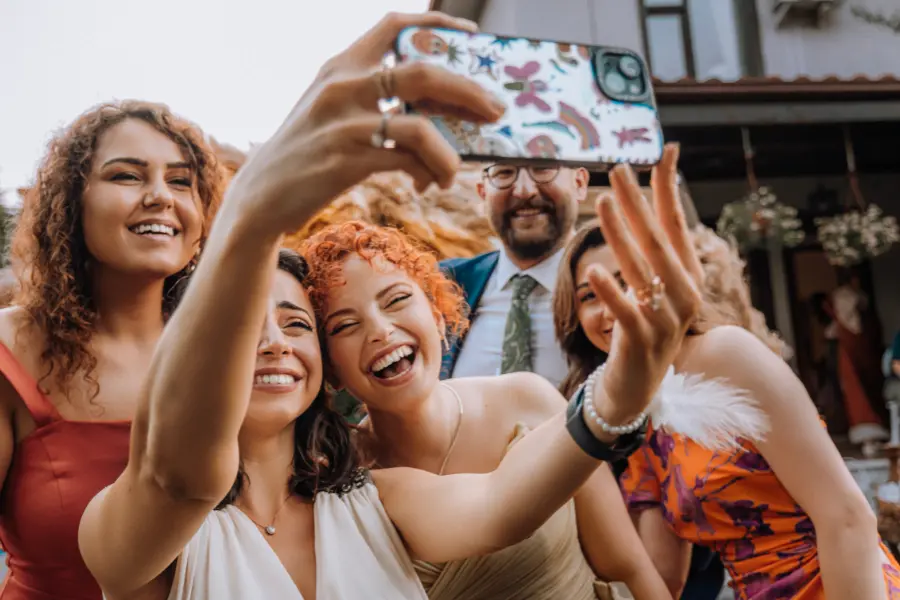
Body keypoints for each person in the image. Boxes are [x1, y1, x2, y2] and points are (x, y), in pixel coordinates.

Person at [77, 11, 702, 600]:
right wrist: (253, 218)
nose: (274, 342)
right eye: (243, 329)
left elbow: (503, 507)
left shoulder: (376, 499)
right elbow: (178, 478)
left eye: (296, 324)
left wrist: (619, 392)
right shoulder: (128, 528)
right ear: (180, 352)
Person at [553, 165, 900, 598]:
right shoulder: (634, 418)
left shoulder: (725, 353)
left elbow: (846, 516)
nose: (612, 304)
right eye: (591, 295)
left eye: (630, 281)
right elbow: (662, 576)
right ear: (575, 320)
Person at [0, 100, 222, 600]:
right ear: (73, 201)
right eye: (127, 176)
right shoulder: (8, 350)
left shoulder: (229, 352)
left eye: (182, 181)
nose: (161, 196)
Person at [439, 161, 585, 387]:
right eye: (505, 172)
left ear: (579, 183)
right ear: (482, 192)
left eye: (542, 168)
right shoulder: (444, 285)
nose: (524, 190)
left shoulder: (618, 288)